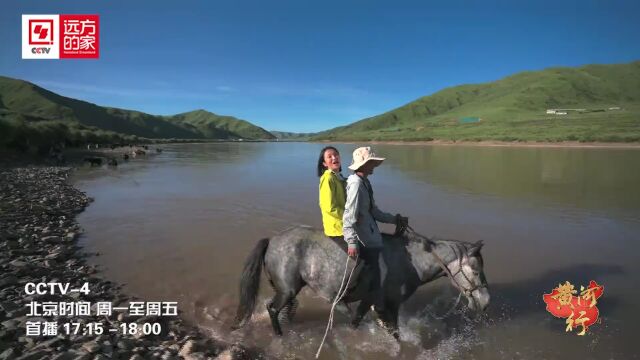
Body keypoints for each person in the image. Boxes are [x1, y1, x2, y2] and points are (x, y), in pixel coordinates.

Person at [342, 146, 408, 326]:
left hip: (372, 237)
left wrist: (394, 219)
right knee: (376, 285)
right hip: (366, 241)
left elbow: (373, 211)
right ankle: (358, 313)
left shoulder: (365, 182)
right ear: (365, 164)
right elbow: (349, 216)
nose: (375, 166)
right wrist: (352, 241)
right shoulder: (356, 184)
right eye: (373, 163)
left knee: (378, 283)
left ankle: (368, 312)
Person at [317, 146, 347, 242]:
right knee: (357, 255)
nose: (334, 158)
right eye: (329, 156)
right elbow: (329, 207)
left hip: (346, 224)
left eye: (336, 155)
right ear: (324, 163)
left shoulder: (340, 177)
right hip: (337, 229)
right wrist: (351, 216)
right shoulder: (328, 178)